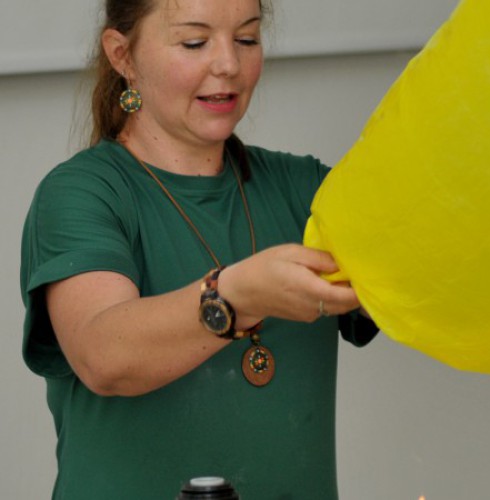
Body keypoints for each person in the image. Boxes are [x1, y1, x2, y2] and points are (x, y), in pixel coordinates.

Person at [19, 0, 378, 498]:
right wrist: (238, 296)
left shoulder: (309, 190)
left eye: (247, 39)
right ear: (122, 55)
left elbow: (434, 275)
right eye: (194, 42)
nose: (229, 64)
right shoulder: (81, 194)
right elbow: (104, 355)